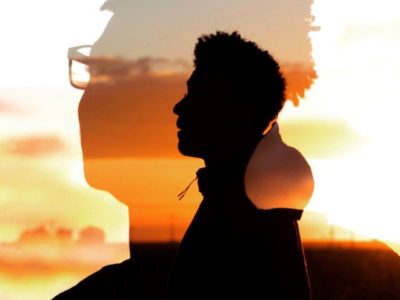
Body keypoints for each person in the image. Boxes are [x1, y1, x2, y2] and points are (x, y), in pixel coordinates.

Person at [167, 31, 314, 299]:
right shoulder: (235, 193)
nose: (179, 107)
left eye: (200, 95)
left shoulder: (247, 207)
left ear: (242, 111)